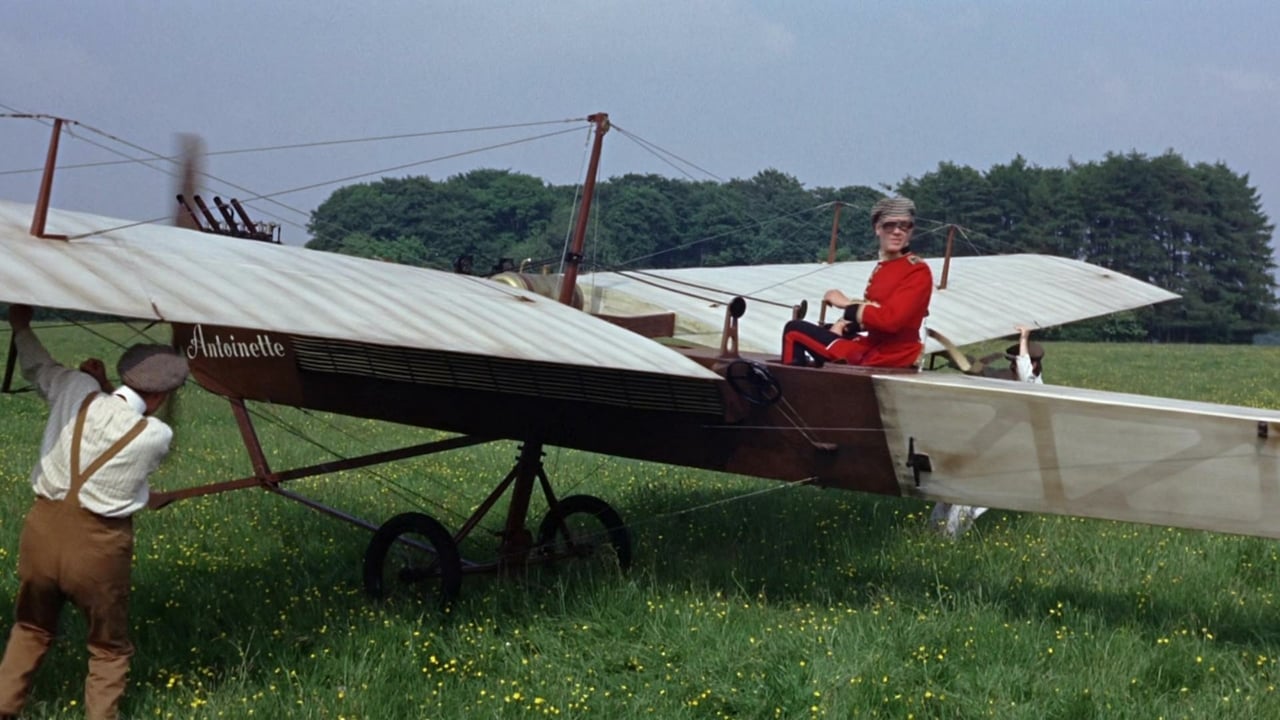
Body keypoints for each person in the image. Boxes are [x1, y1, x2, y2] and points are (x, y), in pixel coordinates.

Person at [0, 305, 188, 720]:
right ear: (160, 396)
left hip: (42, 531)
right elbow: (122, 436)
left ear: (125, 373)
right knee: (107, 649)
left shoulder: (74, 387)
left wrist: (20, 325)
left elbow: (38, 366)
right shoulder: (156, 434)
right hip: (99, 545)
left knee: (31, 628)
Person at [781, 196, 933, 368]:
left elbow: (892, 322)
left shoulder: (916, 270)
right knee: (825, 330)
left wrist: (846, 304)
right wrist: (847, 325)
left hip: (890, 355)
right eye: (889, 225)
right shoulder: (887, 266)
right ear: (878, 228)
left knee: (793, 330)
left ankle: (789, 390)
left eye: (904, 226)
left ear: (910, 231)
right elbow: (878, 311)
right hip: (877, 347)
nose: (897, 232)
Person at [931, 324, 1044, 538]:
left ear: (1034, 363)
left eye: (1015, 362)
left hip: (1014, 457)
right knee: (950, 490)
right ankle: (934, 535)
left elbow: (1024, 372)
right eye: (1010, 363)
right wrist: (949, 353)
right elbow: (982, 371)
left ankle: (948, 539)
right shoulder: (1012, 379)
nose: (1011, 366)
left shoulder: (1034, 384)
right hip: (994, 449)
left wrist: (1024, 339)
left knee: (971, 495)